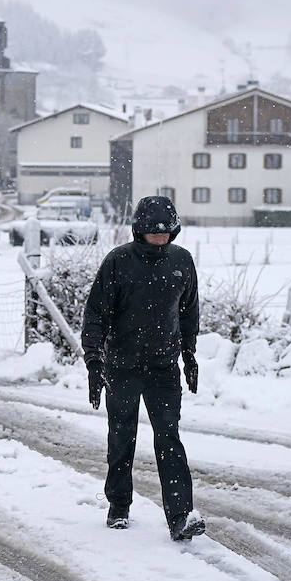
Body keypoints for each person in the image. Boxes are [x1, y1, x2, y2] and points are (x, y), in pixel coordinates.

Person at [81, 195, 205, 541]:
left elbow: (188, 313)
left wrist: (190, 355)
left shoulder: (182, 261)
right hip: (122, 366)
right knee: (122, 438)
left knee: (169, 439)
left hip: (164, 368)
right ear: (140, 231)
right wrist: (94, 363)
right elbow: (96, 316)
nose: (161, 238)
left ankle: (180, 516)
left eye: (166, 232)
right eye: (154, 232)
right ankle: (119, 506)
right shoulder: (118, 262)